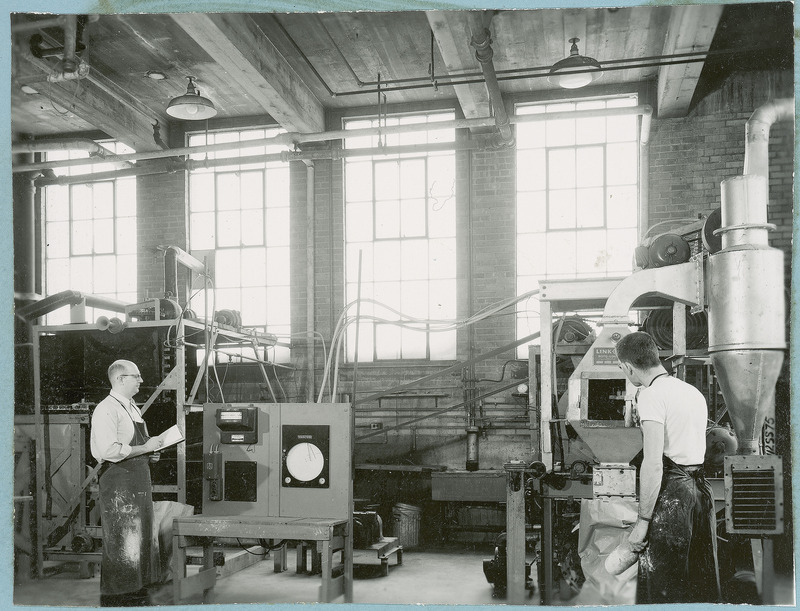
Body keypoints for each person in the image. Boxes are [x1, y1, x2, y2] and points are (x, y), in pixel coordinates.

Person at [615, 331, 720, 604]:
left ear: (628, 366)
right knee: (698, 577)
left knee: (663, 584)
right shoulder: (691, 392)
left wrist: (642, 522)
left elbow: (652, 463)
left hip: (674, 496)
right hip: (700, 495)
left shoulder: (651, 395)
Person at [91, 359, 164, 606]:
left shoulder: (132, 407)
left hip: (138, 480)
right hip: (119, 483)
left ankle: (137, 591)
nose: (141, 381)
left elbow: (135, 446)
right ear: (121, 379)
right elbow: (109, 450)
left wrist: (149, 453)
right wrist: (144, 447)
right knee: (123, 539)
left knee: (141, 536)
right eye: (137, 376)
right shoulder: (106, 409)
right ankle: (118, 598)